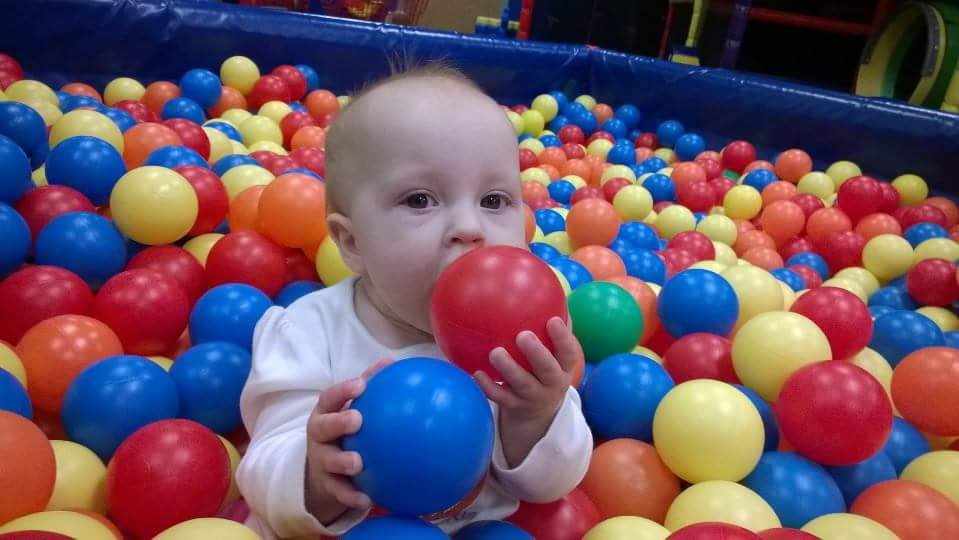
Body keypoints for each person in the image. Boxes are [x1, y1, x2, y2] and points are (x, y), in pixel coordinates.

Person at [237, 63, 593, 538]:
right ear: (352, 242)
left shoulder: (523, 339)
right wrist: (314, 475)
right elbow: (264, 464)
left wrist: (534, 415)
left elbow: (550, 485)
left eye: (493, 201)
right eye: (420, 200)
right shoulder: (308, 331)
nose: (470, 228)